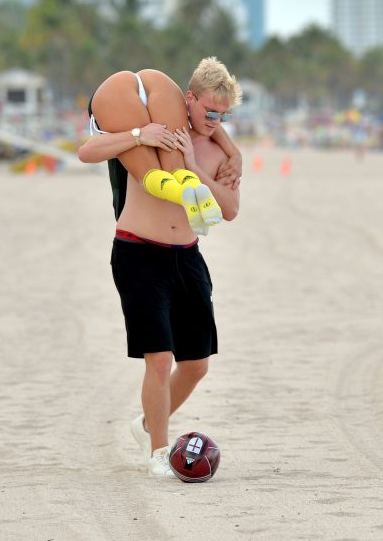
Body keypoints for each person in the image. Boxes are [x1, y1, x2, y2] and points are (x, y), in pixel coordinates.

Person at [77, 57, 242, 477]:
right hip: (138, 253)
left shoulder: (218, 150)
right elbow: (87, 151)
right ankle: (157, 451)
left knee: (197, 364)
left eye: (223, 115)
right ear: (187, 100)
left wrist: (198, 164)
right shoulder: (154, 129)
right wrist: (135, 135)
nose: (215, 120)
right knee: (159, 359)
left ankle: (149, 423)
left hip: (187, 256)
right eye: (209, 111)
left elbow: (230, 210)